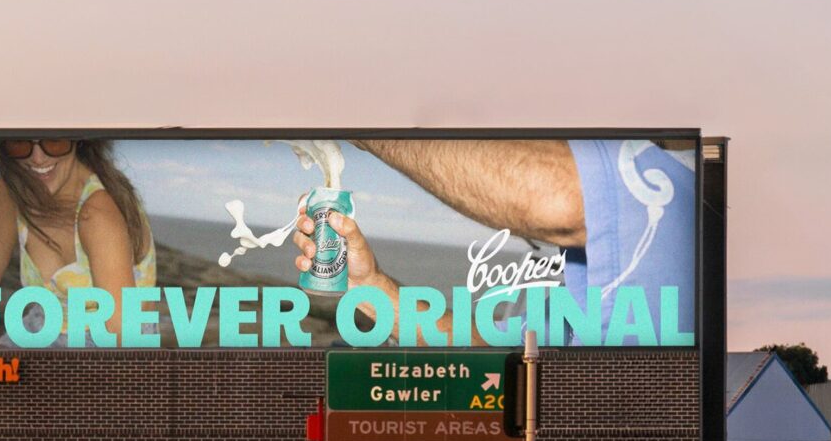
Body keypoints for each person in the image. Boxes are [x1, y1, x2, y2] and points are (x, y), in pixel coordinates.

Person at [289, 138, 696, 330]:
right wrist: (369, 285)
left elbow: (557, 201)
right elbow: (480, 345)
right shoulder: (582, 293)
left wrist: (368, 127)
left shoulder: (674, 182)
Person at [0, 139, 158, 300]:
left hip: (108, 339)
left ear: (76, 139)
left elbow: (124, 338)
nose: (38, 158)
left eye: (54, 140)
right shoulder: (12, 189)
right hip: (45, 326)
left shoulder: (98, 214)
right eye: (20, 142)